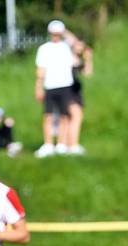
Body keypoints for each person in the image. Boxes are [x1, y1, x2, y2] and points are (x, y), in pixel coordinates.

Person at [34, 20, 76, 158]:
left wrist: (65, 31)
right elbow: (41, 69)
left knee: (64, 115)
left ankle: (61, 144)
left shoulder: (66, 47)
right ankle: (48, 144)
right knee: (48, 115)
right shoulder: (44, 48)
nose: (56, 36)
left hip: (65, 85)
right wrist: (38, 86)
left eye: (58, 33)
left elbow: (76, 42)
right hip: (50, 85)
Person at [68, 39, 93, 155]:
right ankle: (72, 145)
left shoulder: (78, 60)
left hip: (76, 92)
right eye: (78, 45)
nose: (80, 48)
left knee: (75, 117)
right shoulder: (67, 57)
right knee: (75, 116)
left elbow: (87, 73)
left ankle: (71, 144)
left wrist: (88, 58)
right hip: (68, 91)